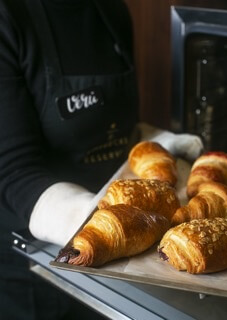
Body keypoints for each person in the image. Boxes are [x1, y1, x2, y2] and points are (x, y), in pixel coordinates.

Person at [0, 0, 203, 319]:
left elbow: (115, 127)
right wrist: (100, 224)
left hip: (123, 257)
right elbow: (13, 172)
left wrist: (157, 143)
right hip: (38, 260)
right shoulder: (9, 17)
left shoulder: (110, 11)